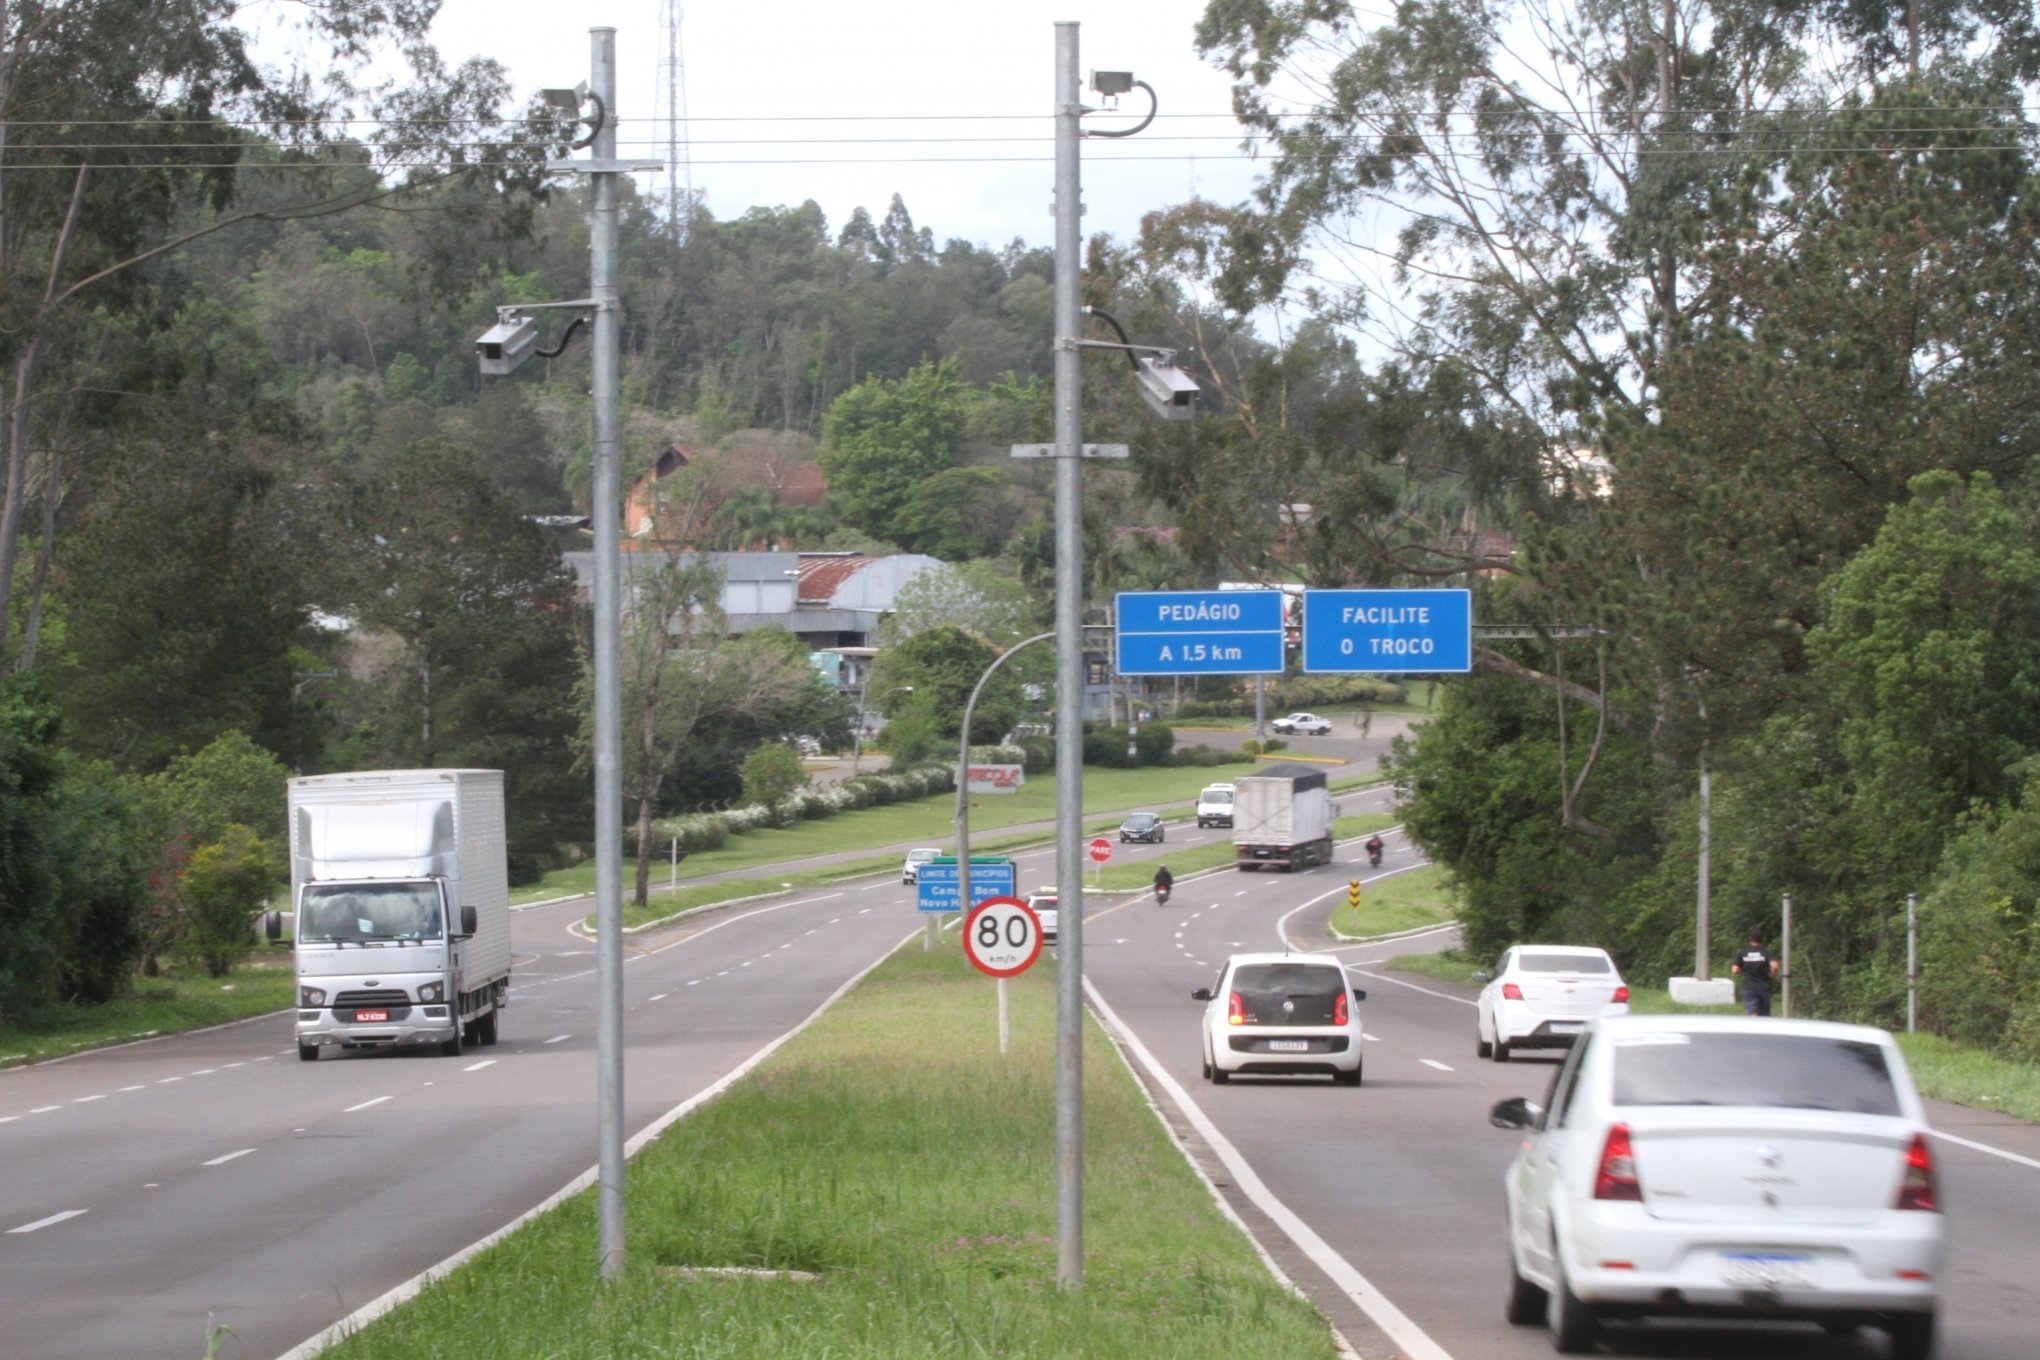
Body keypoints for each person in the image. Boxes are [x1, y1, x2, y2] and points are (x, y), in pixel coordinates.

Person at [1732, 930, 1780, 1016]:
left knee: (1752, 1009)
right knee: (1764, 1013)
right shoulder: (1766, 952)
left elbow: (1735, 970)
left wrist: (1742, 970)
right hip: (1764, 987)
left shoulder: (1743, 952)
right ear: (1763, 939)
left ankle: (1754, 1018)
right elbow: (1775, 966)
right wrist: (1773, 974)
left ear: (1750, 939)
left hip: (1749, 986)